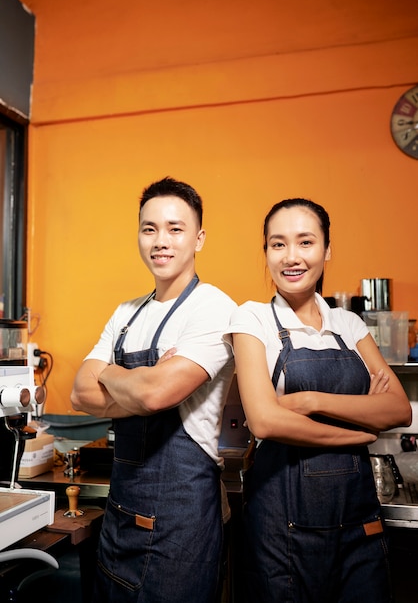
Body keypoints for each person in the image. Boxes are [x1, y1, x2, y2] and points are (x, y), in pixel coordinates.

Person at [225, 197, 412, 603]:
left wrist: (307, 399)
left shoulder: (348, 323)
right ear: (266, 253)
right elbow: (265, 423)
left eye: (305, 242)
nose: (291, 257)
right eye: (278, 244)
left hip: (360, 524)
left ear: (327, 250)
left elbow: (397, 409)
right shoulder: (252, 318)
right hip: (281, 528)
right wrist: (360, 432)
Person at [70, 176, 236, 603]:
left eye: (175, 229)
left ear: (198, 238)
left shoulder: (215, 307)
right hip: (121, 514)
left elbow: (155, 395)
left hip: (181, 527)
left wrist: (108, 371)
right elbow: (79, 393)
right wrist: (140, 382)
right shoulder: (126, 312)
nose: (161, 241)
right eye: (149, 229)